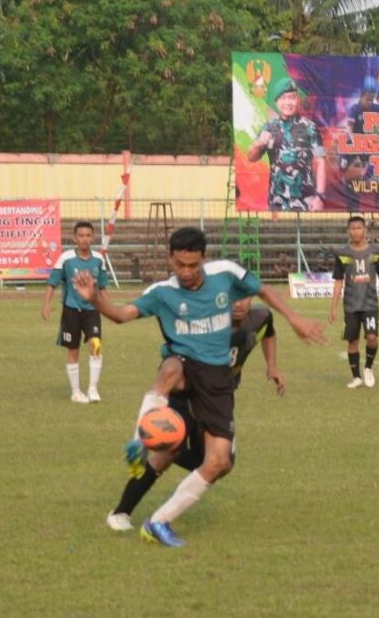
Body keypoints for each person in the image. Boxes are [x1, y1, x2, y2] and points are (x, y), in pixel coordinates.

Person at [73, 226, 327, 547]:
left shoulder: (226, 274)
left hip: (217, 380)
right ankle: (139, 441)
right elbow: (122, 315)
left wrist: (295, 319)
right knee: (170, 368)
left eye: (193, 265)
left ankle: (158, 522)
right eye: (180, 265)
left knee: (219, 462)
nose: (187, 272)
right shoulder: (163, 292)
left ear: (204, 259)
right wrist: (94, 297)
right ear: (170, 259)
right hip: (183, 368)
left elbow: (263, 291)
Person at [105, 297, 282, 531]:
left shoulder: (260, 317)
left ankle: (162, 446)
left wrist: (272, 365)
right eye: (231, 298)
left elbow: (269, 330)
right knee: (167, 457)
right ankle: (121, 513)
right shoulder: (204, 326)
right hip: (187, 394)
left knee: (221, 464)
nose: (238, 304)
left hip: (217, 400)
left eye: (244, 297)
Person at [41, 221, 109, 404]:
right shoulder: (66, 258)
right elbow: (52, 282)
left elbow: (102, 287)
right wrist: (46, 304)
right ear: (75, 238)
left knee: (96, 346)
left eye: (88, 235)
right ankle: (76, 392)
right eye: (81, 236)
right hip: (71, 310)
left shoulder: (98, 260)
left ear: (93, 237)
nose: (84, 239)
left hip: (92, 310)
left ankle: (93, 389)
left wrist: (109, 309)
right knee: (73, 350)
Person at [329, 216, 379, 389]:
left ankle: (368, 368)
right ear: (348, 231)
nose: (356, 231)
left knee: (372, 338)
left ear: (365, 230)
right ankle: (356, 377)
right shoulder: (342, 255)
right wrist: (333, 307)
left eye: (359, 228)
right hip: (351, 306)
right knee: (352, 341)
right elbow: (338, 281)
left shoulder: (375, 253)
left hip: (370, 305)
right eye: (352, 229)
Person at [247, 77, 326, 211]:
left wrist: (319, 197)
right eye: (283, 98)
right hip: (276, 201)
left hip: (305, 202)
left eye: (292, 97)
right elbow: (251, 157)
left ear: (298, 100)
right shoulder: (268, 127)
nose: (288, 102)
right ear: (276, 102)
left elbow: (321, 163)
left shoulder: (310, 127)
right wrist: (259, 143)